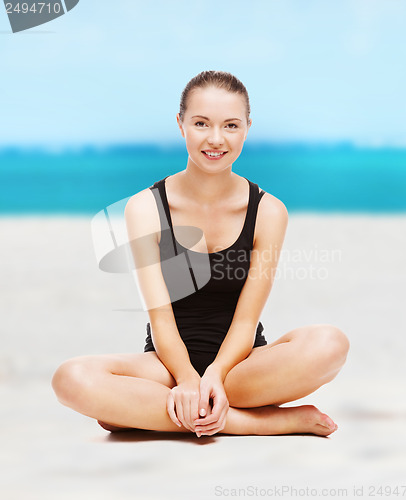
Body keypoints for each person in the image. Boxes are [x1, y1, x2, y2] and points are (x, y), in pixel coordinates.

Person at [51, 70, 350, 437]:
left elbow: (245, 322)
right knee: (71, 379)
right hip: (165, 366)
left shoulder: (269, 211)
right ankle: (259, 421)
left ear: (247, 128)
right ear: (181, 124)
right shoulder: (145, 208)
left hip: (241, 366)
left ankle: (160, 412)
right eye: (201, 123)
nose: (215, 138)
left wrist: (215, 374)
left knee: (330, 343)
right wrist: (187, 377)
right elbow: (160, 320)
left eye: (230, 125)